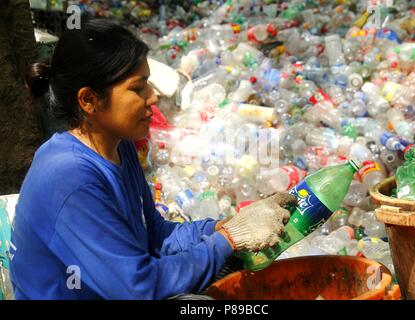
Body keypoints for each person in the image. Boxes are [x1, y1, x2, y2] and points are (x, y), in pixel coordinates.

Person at [10, 19, 296, 300]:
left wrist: (220, 228)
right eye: (138, 88)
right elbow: (138, 288)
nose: (153, 97)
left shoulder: (120, 147)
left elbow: (155, 235)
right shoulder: (70, 177)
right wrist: (230, 239)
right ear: (89, 100)